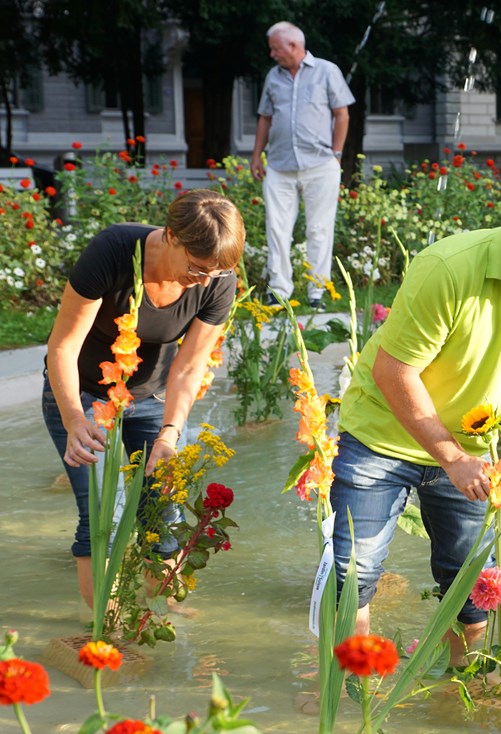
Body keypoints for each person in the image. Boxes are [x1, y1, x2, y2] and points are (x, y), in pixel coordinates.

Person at [330, 169, 501, 661]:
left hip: (471, 454)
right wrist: (450, 457)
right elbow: (394, 371)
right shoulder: (449, 268)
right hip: (382, 435)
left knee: (475, 593)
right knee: (354, 579)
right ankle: (344, 693)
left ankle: (454, 692)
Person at [43, 189, 245, 609]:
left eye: (217, 272)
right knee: (103, 516)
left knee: (163, 515)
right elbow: (62, 346)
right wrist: (74, 419)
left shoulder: (217, 279)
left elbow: (188, 367)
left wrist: (170, 434)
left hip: (153, 397)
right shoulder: (113, 252)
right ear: (171, 236)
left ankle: (163, 622)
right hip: (84, 395)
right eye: (197, 268)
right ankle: (106, 628)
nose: (205, 281)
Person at [250, 21, 354, 310]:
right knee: (277, 228)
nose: (272, 54)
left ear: (293, 45)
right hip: (279, 165)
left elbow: (342, 114)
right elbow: (265, 118)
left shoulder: (327, 71)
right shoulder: (273, 76)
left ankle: (317, 292)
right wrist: (257, 155)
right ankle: (279, 291)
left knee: (319, 229)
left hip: (320, 164)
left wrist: (336, 154)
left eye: (275, 48)